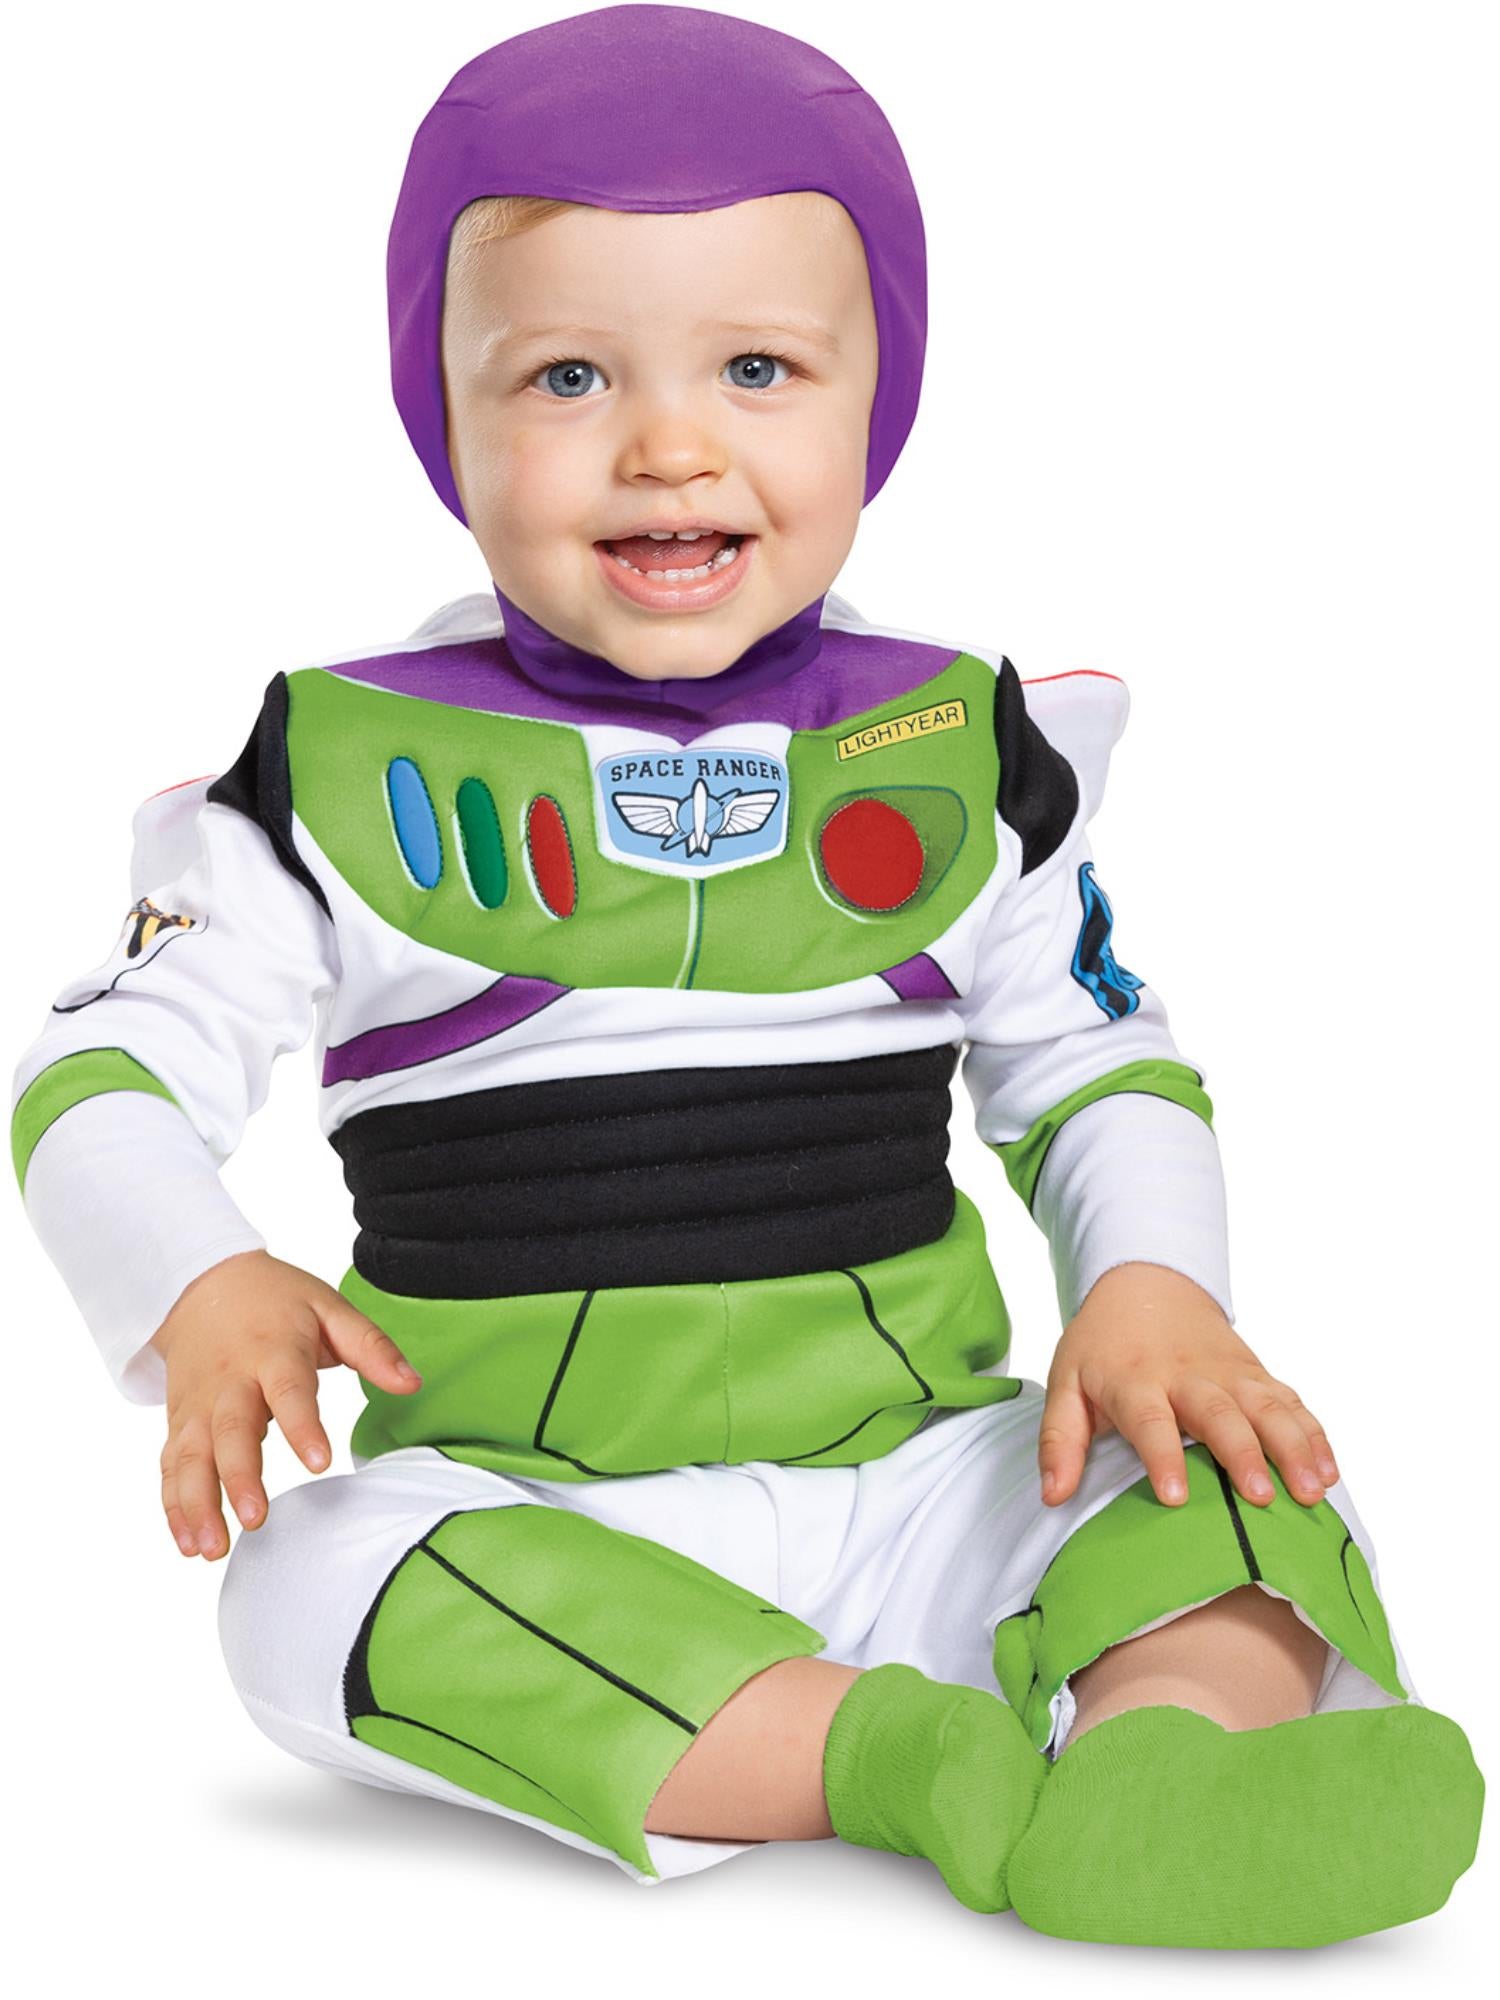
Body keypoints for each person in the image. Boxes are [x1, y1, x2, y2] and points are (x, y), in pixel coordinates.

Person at [8, 4, 1482, 1947]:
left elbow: (1098, 1069)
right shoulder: (337, 779)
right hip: (539, 1507)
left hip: (931, 1472)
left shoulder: (961, 753)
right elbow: (101, 1078)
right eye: (567, 374)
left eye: (760, 367)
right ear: (443, 413)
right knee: (305, 1598)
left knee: (1246, 1470)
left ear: (879, 397)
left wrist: (1152, 1291)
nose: (670, 444)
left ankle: (1168, 1750)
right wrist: (198, 1279)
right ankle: (905, 1761)